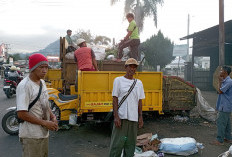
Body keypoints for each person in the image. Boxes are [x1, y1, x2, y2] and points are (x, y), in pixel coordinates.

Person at [17, 53, 58, 157]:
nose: (44, 70)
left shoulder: (42, 82)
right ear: (33, 68)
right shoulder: (25, 86)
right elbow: (21, 114)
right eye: (41, 67)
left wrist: (52, 116)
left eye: (46, 67)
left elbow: (45, 102)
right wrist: (45, 123)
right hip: (31, 136)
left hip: (43, 134)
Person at [109, 58, 145, 157]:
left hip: (133, 118)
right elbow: (115, 99)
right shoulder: (118, 80)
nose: (132, 69)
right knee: (117, 144)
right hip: (122, 117)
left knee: (130, 145)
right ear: (125, 67)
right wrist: (116, 116)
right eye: (130, 66)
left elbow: (140, 101)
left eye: (134, 67)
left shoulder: (139, 83)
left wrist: (140, 117)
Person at [211, 66, 232, 146]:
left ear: (225, 72)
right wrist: (221, 80)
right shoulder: (226, 80)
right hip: (226, 105)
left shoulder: (229, 81)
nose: (220, 71)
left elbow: (220, 91)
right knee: (227, 123)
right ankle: (228, 138)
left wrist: (219, 81)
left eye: (221, 70)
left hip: (225, 105)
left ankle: (219, 140)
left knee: (221, 122)